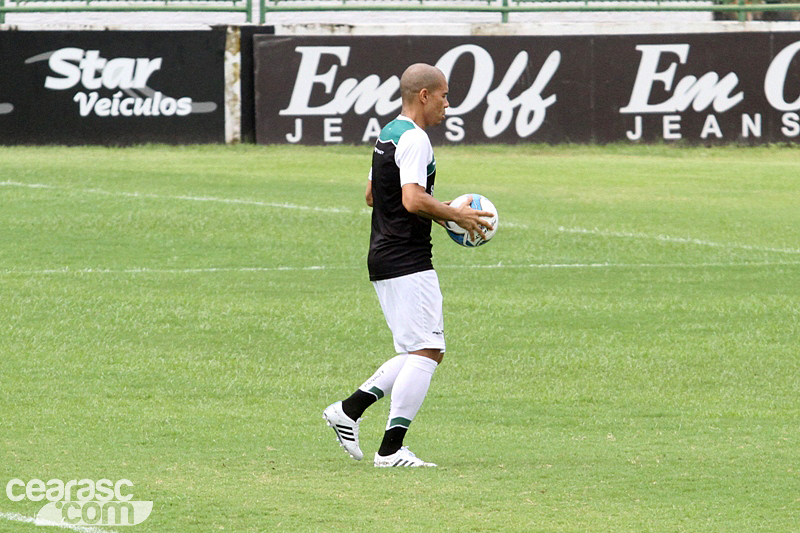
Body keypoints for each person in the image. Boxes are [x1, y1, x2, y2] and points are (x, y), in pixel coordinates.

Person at [323, 63, 494, 468]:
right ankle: (391, 450)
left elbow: (372, 195)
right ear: (424, 95)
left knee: (420, 351)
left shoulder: (388, 133)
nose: (447, 105)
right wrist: (455, 216)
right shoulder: (415, 139)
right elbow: (413, 200)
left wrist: (446, 209)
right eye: (444, 96)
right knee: (428, 349)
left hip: (385, 254)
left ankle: (348, 411)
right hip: (406, 258)